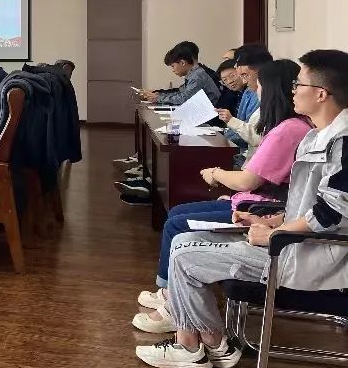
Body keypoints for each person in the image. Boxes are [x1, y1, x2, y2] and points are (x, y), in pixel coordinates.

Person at [134, 49, 348, 368]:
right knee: (182, 242)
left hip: (306, 255)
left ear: (321, 93)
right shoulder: (318, 135)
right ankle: (210, 342)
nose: (292, 90)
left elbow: (332, 215)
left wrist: (275, 233)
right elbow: (311, 206)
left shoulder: (341, 143)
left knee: (185, 256)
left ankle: (193, 346)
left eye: (299, 84)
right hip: (293, 241)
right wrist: (271, 219)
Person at [132, 59, 312, 332]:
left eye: (259, 84)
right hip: (259, 203)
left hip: (262, 211)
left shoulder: (288, 129)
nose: (255, 89)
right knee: (178, 213)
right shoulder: (292, 125)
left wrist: (216, 173)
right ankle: (170, 292)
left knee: (177, 224)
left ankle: (172, 299)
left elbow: (248, 179)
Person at [217, 45, 271, 153]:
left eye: (245, 75)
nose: (244, 81)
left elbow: (256, 137)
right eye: (224, 80)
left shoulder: (266, 96)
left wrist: (231, 121)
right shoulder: (248, 91)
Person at [140, 43, 220, 105]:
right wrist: (159, 94)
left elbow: (184, 99)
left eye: (173, 66)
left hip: (211, 118)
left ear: (182, 63)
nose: (173, 70)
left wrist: (158, 98)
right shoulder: (193, 74)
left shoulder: (197, 75)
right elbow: (180, 93)